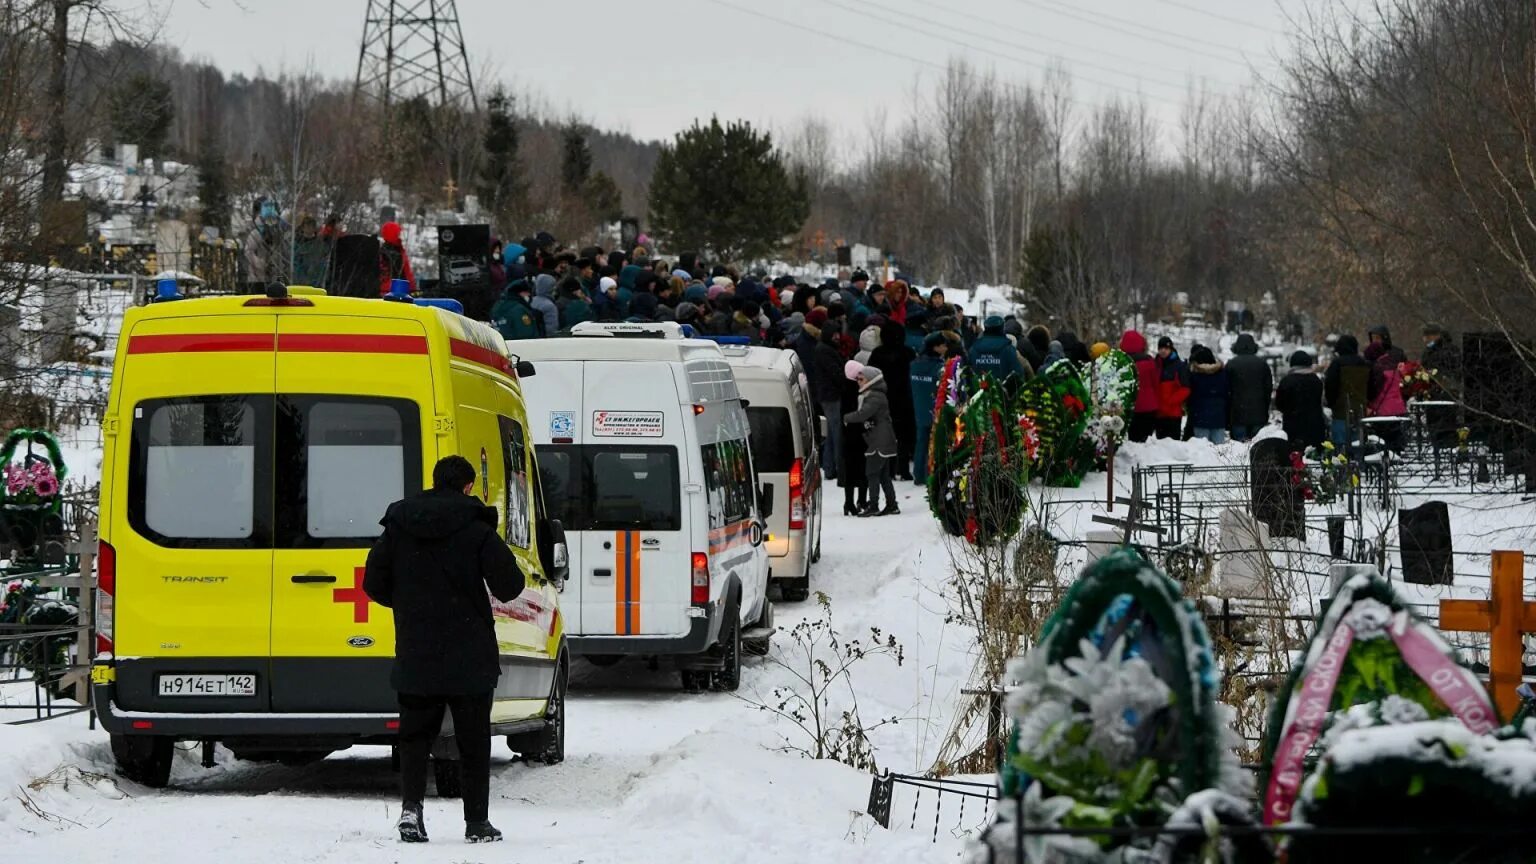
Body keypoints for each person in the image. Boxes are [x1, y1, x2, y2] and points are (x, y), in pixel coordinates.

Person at [363, 455, 524, 845]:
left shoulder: (399, 524)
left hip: (418, 647)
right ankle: (476, 823)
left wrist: (408, 604)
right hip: (470, 652)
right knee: (473, 740)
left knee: (415, 737)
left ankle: (411, 812)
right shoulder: (476, 527)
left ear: (434, 482)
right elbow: (510, 586)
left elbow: (373, 582)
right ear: (468, 486)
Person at [844, 363, 899, 517]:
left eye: (861, 379)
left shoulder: (874, 396)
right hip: (882, 439)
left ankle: (874, 505)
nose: (858, 382)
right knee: (883, 475)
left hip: (879, 441)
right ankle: (892, 504)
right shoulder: (876, 395)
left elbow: (863, 413)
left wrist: (846, 418)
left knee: (872, 473)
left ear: (870, 380)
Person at [869, 319, 916, 481]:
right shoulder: (908, 353)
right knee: (904, 437)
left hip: (883, 400)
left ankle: (888, 469)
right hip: (904, 400)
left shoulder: (876, 354)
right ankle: (903, 469)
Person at [1323, 334, 1381, 448]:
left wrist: (1331, 403)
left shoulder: (1336, 364)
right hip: (1360, 411)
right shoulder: (1365, 364)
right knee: (1358, 445)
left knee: (1341, 447)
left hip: (1341, 411)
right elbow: (1372, 389)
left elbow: (1330, 387)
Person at [909, 332, 949, 484]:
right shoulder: (939, 368)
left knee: (921, 442)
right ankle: (931, 474)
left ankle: (918, 474)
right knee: (936, 442)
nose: (946, 348)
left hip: (919, 408)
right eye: (943, 345)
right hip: (936, 409)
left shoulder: (914, 365)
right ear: (936, 347)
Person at [812, 315, 848, 481]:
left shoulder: (823, 348)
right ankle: (836, 467)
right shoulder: (825, 350)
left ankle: (830, 467)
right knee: (836, 433)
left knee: (832, 434)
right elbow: (836, 374)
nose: (837, 337)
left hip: (827, 394)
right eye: (834, 334)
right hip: (831, 395)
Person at [1226, 333, 1272, 442]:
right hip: (1258, 412)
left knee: (1238, 449)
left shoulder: (1231, 364)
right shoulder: (1262, 364)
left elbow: (1226, 390)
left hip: (1237, 413)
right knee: (1257, 446)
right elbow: (1268, 390)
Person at [1275, 350, 1326, 448]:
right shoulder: (1315, 380)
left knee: (1295, 457)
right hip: (1314, 425)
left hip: (1293, 426)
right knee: (1313, 457)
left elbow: (1279, 403)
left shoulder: (1287, 381)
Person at [1119, 330, 1159, 442]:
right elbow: (1156, 384)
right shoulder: (1150, 361)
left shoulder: (1122, 363)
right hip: (1149, 407)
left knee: (1132, 440)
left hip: (1131, 407)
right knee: (1146, 441)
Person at [968, 316, 1030, 387]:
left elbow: (967, 375)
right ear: (1002, 328)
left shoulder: (973, 349)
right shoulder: (1009, 350)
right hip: (1002, 396)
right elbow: (1018, 375)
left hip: (977, 395)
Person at [1187, 344, 1229, 444]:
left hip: (1200, 418)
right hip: (1219, 418)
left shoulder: (1195, 375)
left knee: (1202, 451)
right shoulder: (1222, 374)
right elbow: (1227, 393)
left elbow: (1190, 396)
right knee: (1219, 453)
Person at [1154, 337, 1191, 440]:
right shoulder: (1156, 365)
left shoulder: (1179, 366)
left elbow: (1186, 389)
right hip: (1159, 414)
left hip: (1173, 414)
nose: (1163, 350)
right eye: (1161, 348)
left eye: (1166, 348)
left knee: (1173, 447)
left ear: (1171, 349)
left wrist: (1170, 401)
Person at [491, 273, 542, 340]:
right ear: (520, 293)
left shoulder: (497, 306)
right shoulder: (519, 310)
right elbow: (526, 334)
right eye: (527, 292)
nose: (529, 295)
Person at [378, 221, 416, 296]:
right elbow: (408, 273)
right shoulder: (400, 252)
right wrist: (413, 289)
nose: (399, 235)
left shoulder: (379, 252)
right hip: (399, 292)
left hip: (382, 292)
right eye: (398, 233)